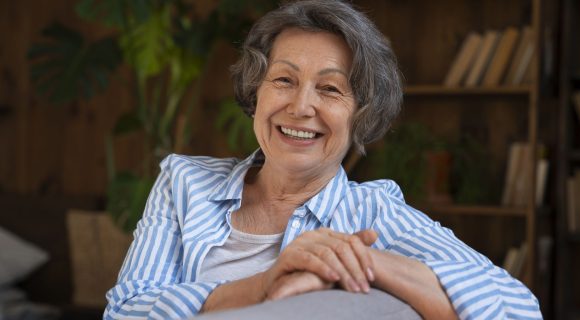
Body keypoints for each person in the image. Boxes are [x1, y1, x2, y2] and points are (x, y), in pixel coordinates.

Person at [104, 1, 542, 319]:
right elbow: (125, 311)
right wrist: (265, 284)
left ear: (361, 114)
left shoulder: (372, 212)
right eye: (283, 80)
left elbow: (517, 306)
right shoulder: (185, 182)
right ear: (257, 91)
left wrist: (356, 261)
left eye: (330, 89)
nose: (300, 107)